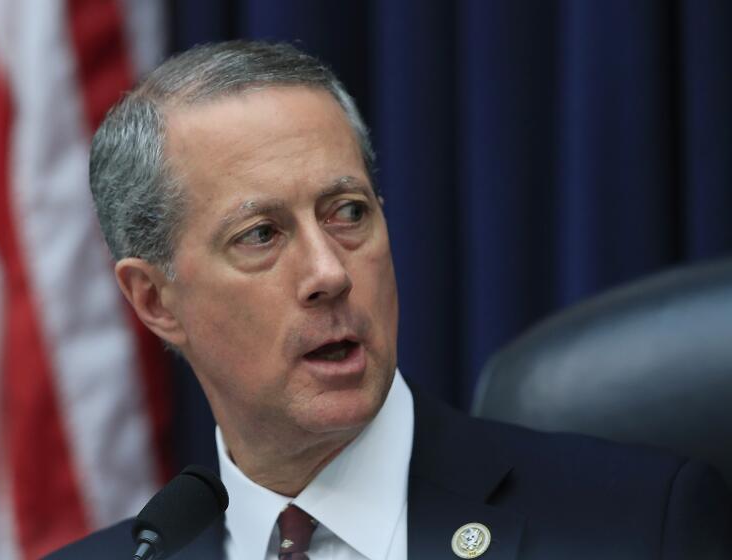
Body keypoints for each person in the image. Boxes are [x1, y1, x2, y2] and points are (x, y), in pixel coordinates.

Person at [46, 41, 732, 560]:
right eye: (261, 235)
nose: (329, 273)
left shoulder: (641, 526)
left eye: (347, 213)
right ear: (155, 300)